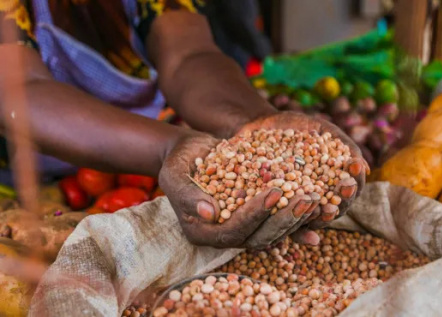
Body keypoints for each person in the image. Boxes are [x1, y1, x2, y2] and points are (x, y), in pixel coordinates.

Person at [0, 0, 368, 249]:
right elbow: (20, 91)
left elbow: (189, 55)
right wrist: (168, 147)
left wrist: (254, 120)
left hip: (126, 155)